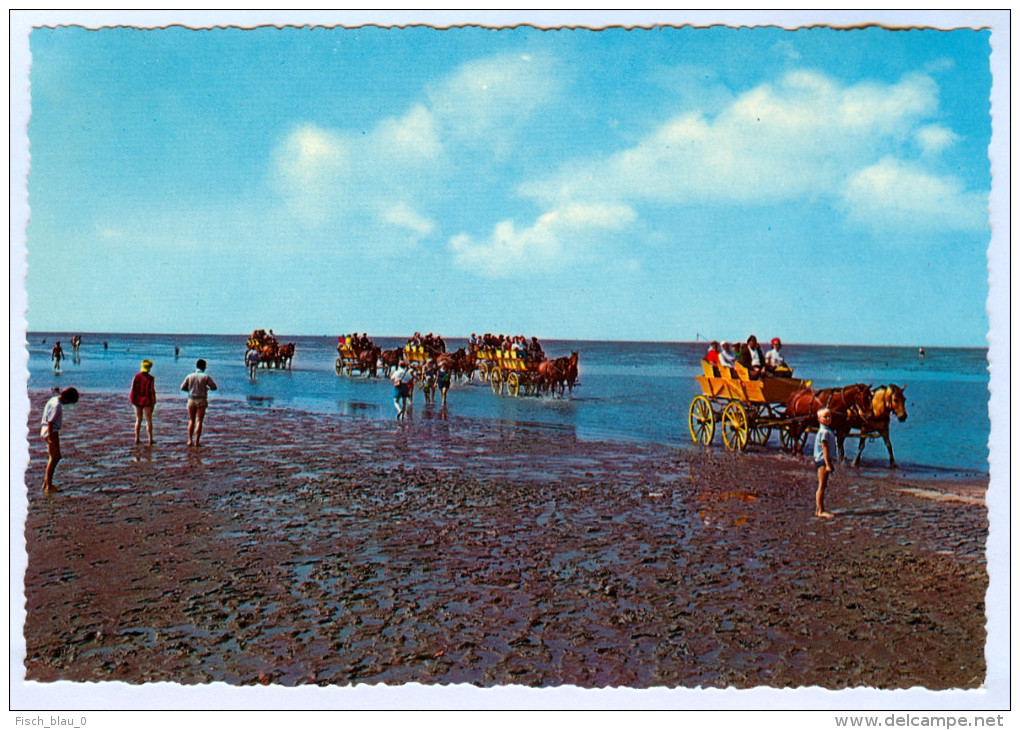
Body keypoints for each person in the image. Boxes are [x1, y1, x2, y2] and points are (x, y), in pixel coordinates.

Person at [40, 387, 80, 493]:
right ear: (67, 399)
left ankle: (46, 483)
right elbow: (50, 422)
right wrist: (49, 437)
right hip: (51, 431)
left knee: (54, 457)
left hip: (49, 430)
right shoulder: (57, 405)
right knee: (54, 458)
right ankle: (48, 485)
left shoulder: (53, 400)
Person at [181, 359, 218, 447]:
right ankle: (197, 441)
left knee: (191, 420)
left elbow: (182, 387)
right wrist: (206, 388)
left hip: (191, 399)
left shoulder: (190, 376)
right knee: (199, 421)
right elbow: (214, 387)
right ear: (204, 367)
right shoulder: (205, 376)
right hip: (201, 400)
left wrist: (190, 390)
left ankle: (189, 440)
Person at [813, 408, 837, 519]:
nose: (828, 419)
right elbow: (825, 448)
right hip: (823, 460)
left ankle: (818, 509)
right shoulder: (824, 432)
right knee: (822, 486)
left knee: (823, 485)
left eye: (829, 416)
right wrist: (828, 464)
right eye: (825, 417)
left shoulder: (827, 430)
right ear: (819, 419)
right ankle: (820, 510)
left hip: (823, 460)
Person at [130, 359, 157, 445]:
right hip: (147, 400)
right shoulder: (151, 378)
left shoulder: (136, 376)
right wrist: (154, 401)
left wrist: (132, 399)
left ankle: (137, 438)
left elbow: (133, 388)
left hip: (137, 400)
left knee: (138, 419)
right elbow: (152, 391)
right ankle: (150, 439)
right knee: (148, 420)